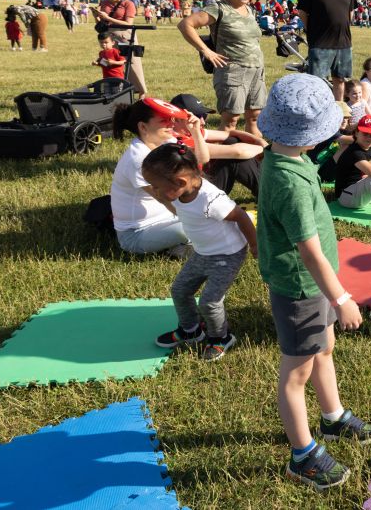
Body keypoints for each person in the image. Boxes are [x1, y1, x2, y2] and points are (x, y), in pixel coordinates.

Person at [255, 73, 371, 492]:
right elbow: (307, 250)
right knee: (296, 372)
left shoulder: (289, 156)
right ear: (311, 134)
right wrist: (341, 297)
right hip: (301, 285)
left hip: (316, 284)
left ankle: (332, 418)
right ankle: (302, 455)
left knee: (324, 349)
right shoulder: (287, 181)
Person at [143, 143, 255, 362]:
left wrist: (255, 245)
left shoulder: (212, 200)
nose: (153, 191)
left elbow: (241, 217)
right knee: (179, 290)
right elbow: (185, 213)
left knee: (209, 302)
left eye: (156, 186)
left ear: (180, 182)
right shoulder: (178, 193)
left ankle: (220, 337)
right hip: (203, 252)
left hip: (228, 254)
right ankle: (191, 330)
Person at [179, 0, 267, 138]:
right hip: (233, 71)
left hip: (256, 71)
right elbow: (185, 24)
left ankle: (257, 160)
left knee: (255, 118)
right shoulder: (218, 9)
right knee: (230, 121)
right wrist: (206, 51)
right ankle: (217, 161)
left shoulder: (249, 11)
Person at [110, 98, 194, 255]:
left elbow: (201, 160)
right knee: (196, 227)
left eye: (171, 119)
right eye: (164, 120)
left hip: (169, 219)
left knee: (207, 220)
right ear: (143, 127)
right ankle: (184, 245)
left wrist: (194, 130)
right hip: (136, 233)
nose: (171, 123)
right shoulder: (138, 159)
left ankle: (179, 247)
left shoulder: (167, 142)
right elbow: (165, 198)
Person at [168, 93, 265, 199]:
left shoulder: (188, 131)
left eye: (204, 116)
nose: (203, 121)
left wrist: (259, 140)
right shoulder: (178, 142)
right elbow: (238, 152)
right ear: (176, 118)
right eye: (198, 116)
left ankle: (266, 191)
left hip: (200, 185)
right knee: (233, 159)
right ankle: (268, 194)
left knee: (232, 140)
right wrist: (265, 149)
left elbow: (230, 134)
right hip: (196, 197)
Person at [298, 0, 358, 101]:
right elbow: (303, 13)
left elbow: (350, 12)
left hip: (343, 43)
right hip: (320, 44)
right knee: (316, 83)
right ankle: (317, 111)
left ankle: (338, 112)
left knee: (340, 80)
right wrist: (311, 31)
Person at [94, 0, 148, 96]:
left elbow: (129, 23)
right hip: (109, 37)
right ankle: (118, 90)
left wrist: (108, 18)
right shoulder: (104, 3)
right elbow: (102, 22)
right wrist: (97, 17)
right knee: (111, 63)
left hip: (125, 36)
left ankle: (141, 91)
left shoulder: (128, 4)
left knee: (132, 63)